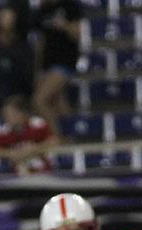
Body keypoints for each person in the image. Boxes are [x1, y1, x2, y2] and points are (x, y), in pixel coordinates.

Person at [33, 0, 82, 136]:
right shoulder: (41, 11)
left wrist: (64, 25)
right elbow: (40, 43)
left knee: (39, 100)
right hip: (48, 65)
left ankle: (57, 137)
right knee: (59, 101)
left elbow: (77, 33)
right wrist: (37, 71)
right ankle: (71, 137)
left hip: (64, 62)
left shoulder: (69, 6)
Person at [0, 96, 55, 175]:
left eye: (10, 114)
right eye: (5, 115)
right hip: (16, 176)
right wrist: (11, 153)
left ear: (22, 113)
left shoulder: (37, 124)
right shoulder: (4, 130)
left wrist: (35, 149)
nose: (7, 118)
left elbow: (54, 141)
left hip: (42, 173)